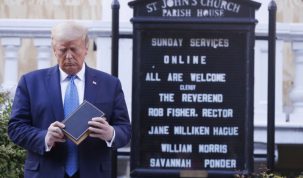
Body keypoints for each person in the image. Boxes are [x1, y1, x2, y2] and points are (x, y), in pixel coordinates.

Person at [8, 21, 131, 178]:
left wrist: (110, 133)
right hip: (45, 172)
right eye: (62, 50)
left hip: (93, 172)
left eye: (74, 49)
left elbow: (125, 130)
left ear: (86, 48)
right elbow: (15, 128)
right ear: (54, 50)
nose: (69, 56)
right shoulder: (31, 82)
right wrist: (45, 137)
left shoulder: (109, 84)